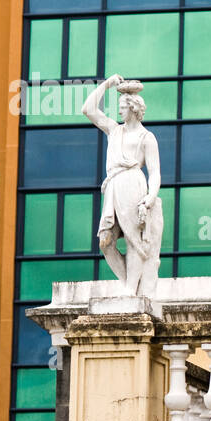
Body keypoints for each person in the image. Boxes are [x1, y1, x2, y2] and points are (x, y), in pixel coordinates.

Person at [81, 74, 163, 297]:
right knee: (105, 242)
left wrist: (150, 198)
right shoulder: (114, 130)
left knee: (132, 239)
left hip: (133, 185)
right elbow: (88, 109)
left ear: (133, 108)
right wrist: (107, 84)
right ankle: (130, 284)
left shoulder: (147, 138)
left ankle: (130, 289)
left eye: (122, 107)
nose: (119, 112)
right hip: (114, 186)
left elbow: (155, 174)